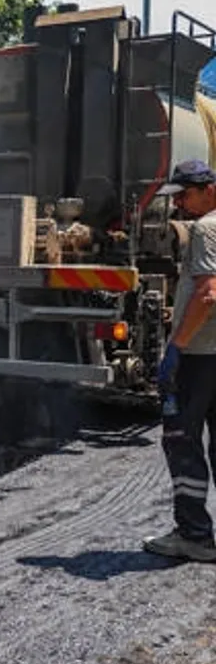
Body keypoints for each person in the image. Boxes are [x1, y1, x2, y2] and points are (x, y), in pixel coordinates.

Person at [144, 160, 216, 561]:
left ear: (209, 189)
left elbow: (208, 294)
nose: (180, 205)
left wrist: (176, 348)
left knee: (181, 441)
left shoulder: (206, 229)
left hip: (199, 357)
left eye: (185, 195)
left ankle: (194, 535)